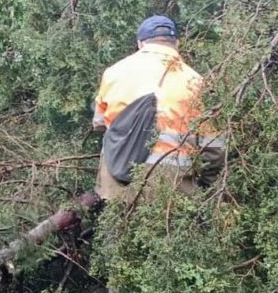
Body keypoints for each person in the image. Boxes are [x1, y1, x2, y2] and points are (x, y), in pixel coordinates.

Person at [92, 16, 224, 200]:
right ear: (176, 43)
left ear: (140, 43)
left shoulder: (113, 72)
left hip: (117, 180)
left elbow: (99, 122)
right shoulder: (195, 81)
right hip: (172, 186)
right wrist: (206, 185)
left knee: (116, 217)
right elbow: (214, 147)